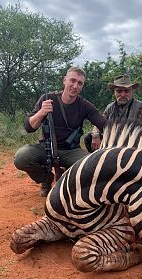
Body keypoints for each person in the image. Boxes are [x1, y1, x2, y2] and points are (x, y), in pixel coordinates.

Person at [14, 67, 106, 197]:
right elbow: (29, 127)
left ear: (82, 86)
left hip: (71, 150)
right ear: (64, 80)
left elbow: (104, 124)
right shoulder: (47, 98)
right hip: (46, 147)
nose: (75, 86)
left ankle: (67, 181)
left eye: (80, 83)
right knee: (22, 157)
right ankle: (46, 178)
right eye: (72, 80)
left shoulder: (84, 105)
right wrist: (41, 112)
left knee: (92, 166)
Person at [84, 74, 142, 152]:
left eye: (126, 91)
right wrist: (95, 135)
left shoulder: (140, 107)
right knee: (89, 138)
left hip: (132, 144)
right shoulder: (110, 107)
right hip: (113, 142)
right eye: (119, 91)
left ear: (132, 91)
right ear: (114, 92)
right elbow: (99, 123)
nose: (123, 94)